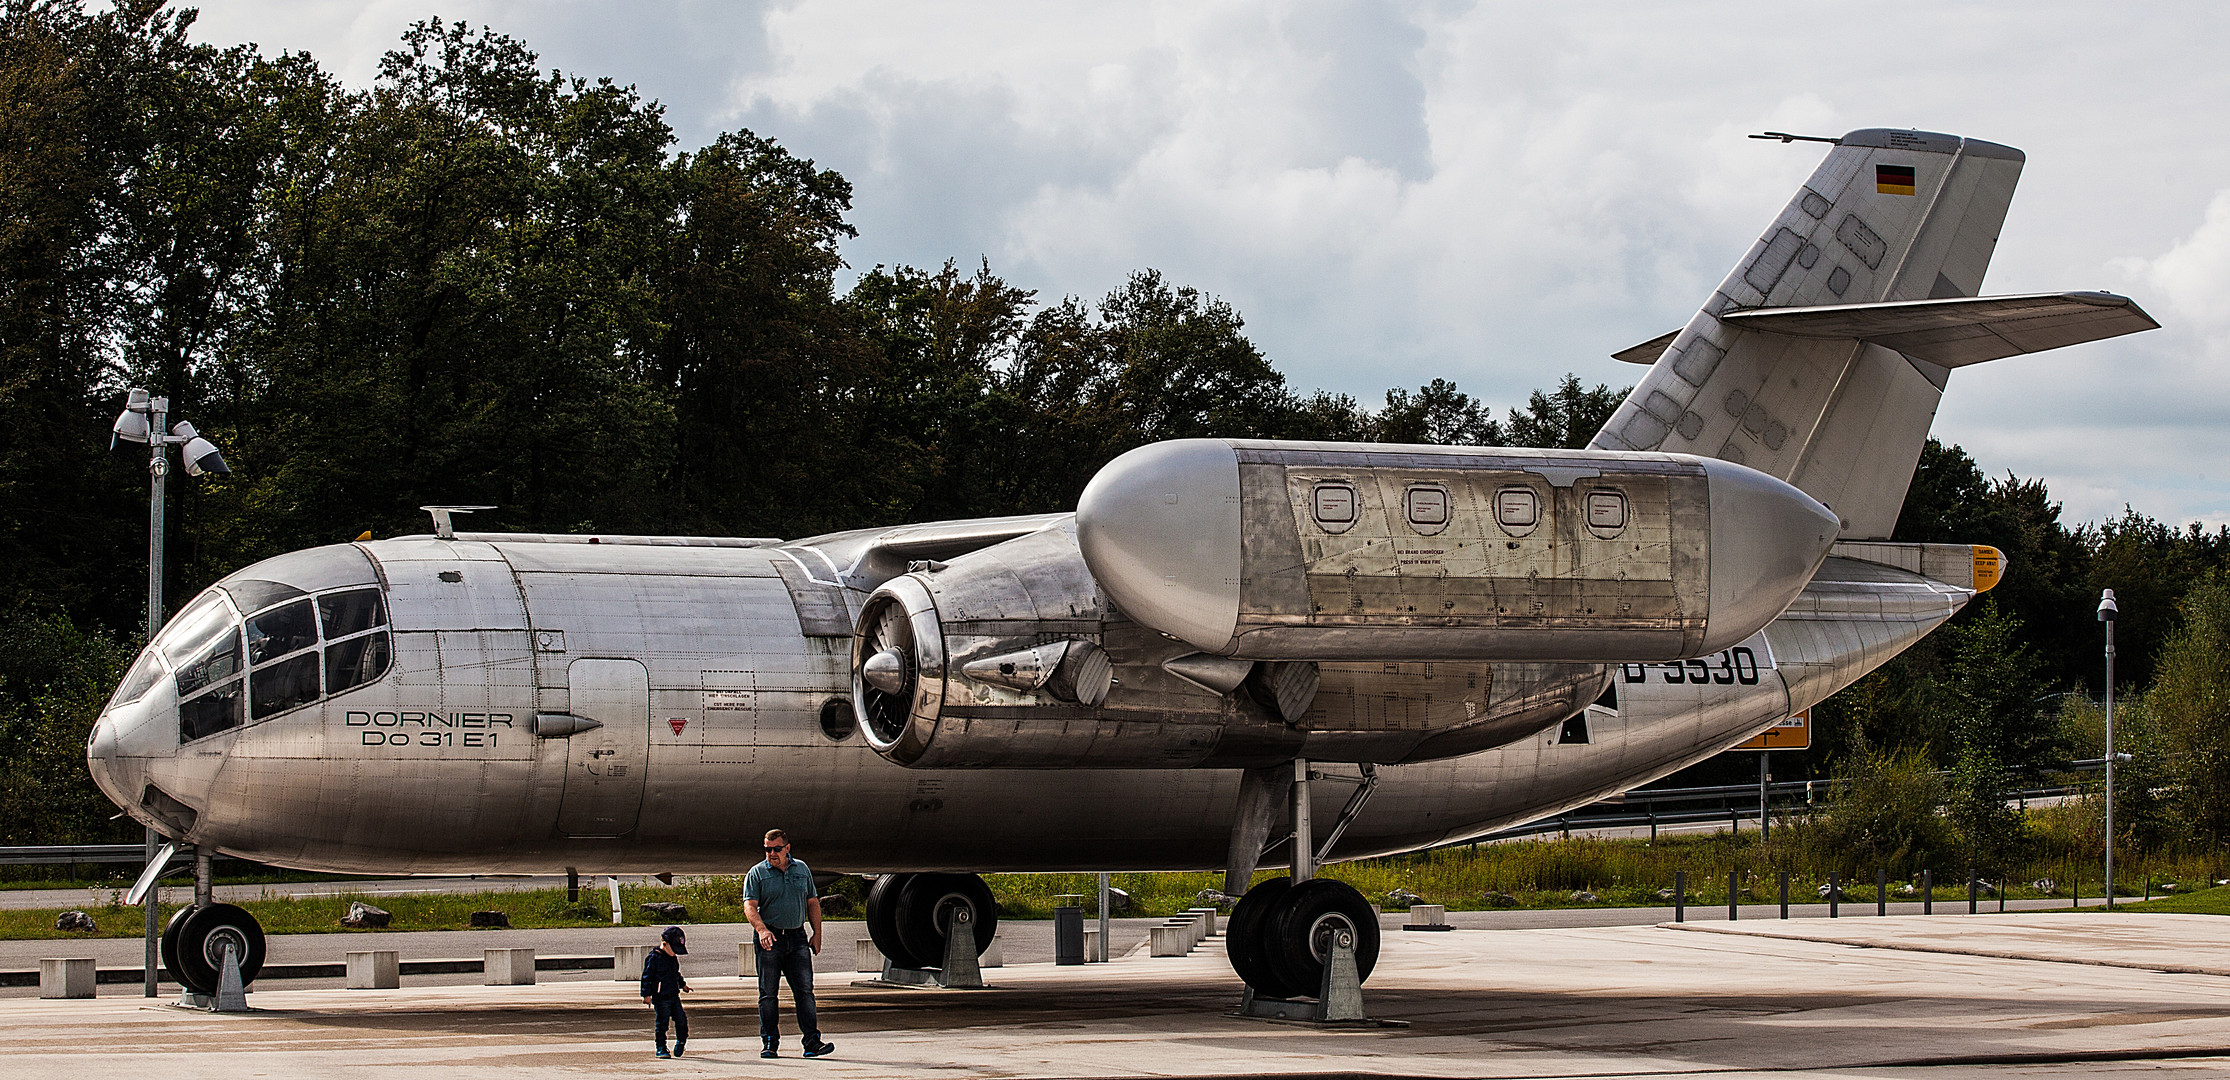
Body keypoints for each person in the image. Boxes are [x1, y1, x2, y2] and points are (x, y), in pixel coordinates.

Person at [745, 828, 833, 1059]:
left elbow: (812, 902)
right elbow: (750, 906)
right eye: (767, 849)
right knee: (768, 994)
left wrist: (817, 933)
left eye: (776, 849)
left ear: (787, 848)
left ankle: (812, 1042)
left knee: (805, 991)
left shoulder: (801, 869)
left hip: (797, 937)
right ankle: (770, 1043)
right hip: (770, 940)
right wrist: (762, 930)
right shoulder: (757, 873)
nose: (771, 854)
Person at [639, 925, 692, 1058]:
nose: (675, 953)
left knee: (681, 1021)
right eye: (673, 949)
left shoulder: (673, 958)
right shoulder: (654, 958)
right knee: (662, 1023)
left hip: (674, 995)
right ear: (664, 944)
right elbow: (646, 977)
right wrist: (646, 995)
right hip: (660, 997)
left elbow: (676, 974)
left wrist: (683, 985)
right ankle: (661, 1047)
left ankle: (681, 1042)